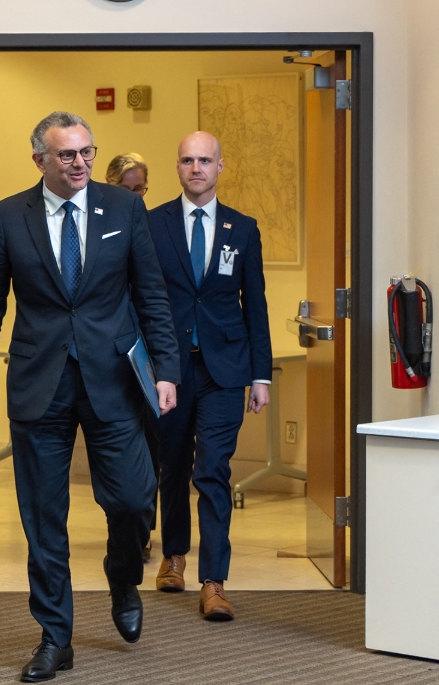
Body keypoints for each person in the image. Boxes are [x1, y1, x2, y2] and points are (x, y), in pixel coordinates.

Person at [0, 112, 180, 682]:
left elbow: (151, 294)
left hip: (114, 381)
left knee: (134, 500)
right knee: (43, 518)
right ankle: (55, 636)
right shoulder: (10, 216)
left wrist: (166, 370)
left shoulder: (124, 208)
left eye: (86, 151)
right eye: (66, 155)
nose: (80, 162)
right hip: (40, 385)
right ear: (40, 160)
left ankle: (121, 577)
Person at [147, 131, 272, 621]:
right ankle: (174, 556)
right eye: (187, 160)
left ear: (221, 166)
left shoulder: (242, 229)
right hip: (170, 370)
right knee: (172, 464)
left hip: (226, 369)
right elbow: (141, 298)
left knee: (213, 469)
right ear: (177, 167)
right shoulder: (153, 224)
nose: (196, 168)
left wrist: (260, 374)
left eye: (205, 160)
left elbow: (255, 306)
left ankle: (214, 581)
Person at [105, 152, 159, 563]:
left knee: (150, 445)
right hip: (109, 353)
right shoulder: (99, 222)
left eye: (140, 189)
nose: (136, 196)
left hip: (145, 351)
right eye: (128, 189)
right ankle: (126, 532)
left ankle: (143, 529)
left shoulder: (145, 224)